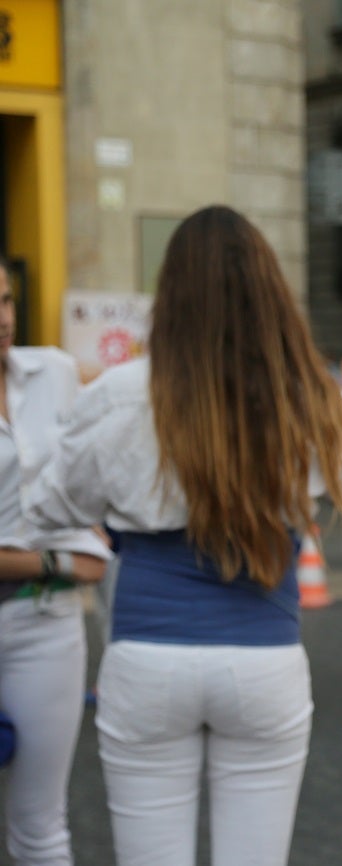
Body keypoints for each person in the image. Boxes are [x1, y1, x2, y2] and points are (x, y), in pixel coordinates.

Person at [24, 205, 342, 866]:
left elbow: (50, 508)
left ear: (169, 297)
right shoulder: (313, 398)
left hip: (146, 654)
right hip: (264, 656)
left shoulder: (117, 394)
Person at [0, 257, 112, 865]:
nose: (1, 319)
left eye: (6, 301)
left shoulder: (52, 371)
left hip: (44, 626)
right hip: (51, 582)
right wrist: (53, 561)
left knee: (40, 827)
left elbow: (124, 416)